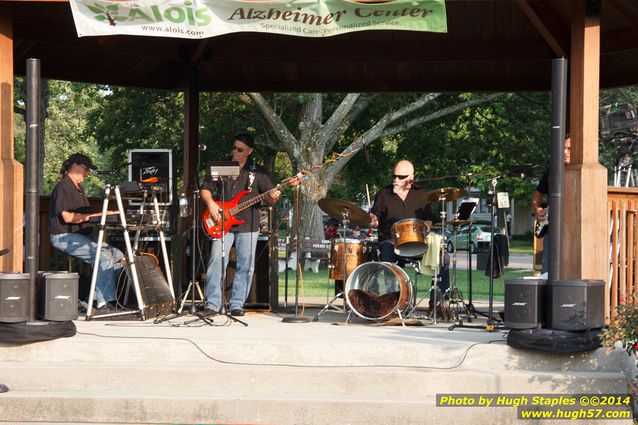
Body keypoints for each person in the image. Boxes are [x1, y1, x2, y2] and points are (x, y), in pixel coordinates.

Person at [201, 134, 280, 317]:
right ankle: (212, 304)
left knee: (246, 265)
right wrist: (211, 204)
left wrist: (275, 197)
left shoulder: (258, 172)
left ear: (249, 151)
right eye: (234, 148)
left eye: (240, 149)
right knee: (216, 260)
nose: (235, 152)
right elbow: (205, 189)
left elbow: (270, 197)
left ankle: (237, 304)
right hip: (221, 220)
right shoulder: (222, 167)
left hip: (248, 223)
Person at [49, 153, 123, 312]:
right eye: (86, 169)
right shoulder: (63, 187)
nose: (87, 173)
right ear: (75, 166)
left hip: (81, 237)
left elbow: (86, 217)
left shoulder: (79, 189)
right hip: (64, 237)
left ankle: (95, 297)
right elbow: (68, 218)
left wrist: (104, 215)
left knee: (118, 256)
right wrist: (98, 215)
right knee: (103, 256)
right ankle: (104, 304)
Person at [369, 160, 434, 263]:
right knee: (387, 254)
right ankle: (392, 280)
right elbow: (376, 217)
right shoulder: (383, 194)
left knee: (443, 257)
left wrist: (426, 227)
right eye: (394, 176)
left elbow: (428, 219)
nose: (396, 180)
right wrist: (374, 221)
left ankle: (439, 280)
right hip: (390, 241)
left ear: (411, 178)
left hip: (417, 241)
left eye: (401, 177)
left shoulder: (421, 194)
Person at [531, 135, 571, 274]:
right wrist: (537, 209)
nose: (565, 152)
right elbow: (537, 194)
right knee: (547, 263)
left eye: (569, 149)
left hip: (571, 227)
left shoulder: (579, 172)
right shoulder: (552, 171)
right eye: (563, 148)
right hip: (551, 226)